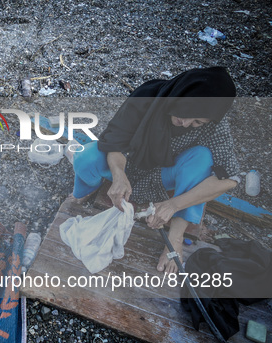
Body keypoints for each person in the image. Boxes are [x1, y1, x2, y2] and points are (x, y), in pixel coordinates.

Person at [67, 67, 240, 274]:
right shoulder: (149, 95)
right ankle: (82, 194)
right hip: (129, 163)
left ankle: (175, 236)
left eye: (197, 122)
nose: (185, 124)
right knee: (87, 155)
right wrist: (119, 175)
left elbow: (230, 178)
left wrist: (174, 204)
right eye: (185, 113)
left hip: (164, 175)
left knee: (202, 158)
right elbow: (114, 142)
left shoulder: (214, 126)